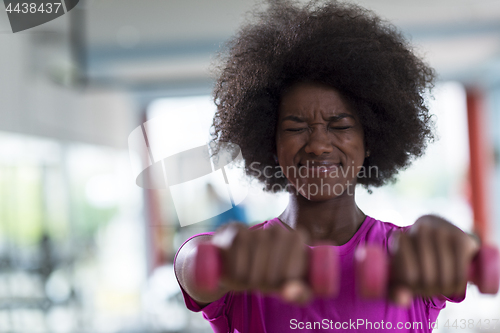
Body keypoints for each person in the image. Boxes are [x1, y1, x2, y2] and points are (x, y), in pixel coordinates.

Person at [174, 1, 480, 332]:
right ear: (271, 145)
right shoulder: (242, 260)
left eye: (340, 125)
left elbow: (461, 257)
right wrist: (223, 258)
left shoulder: (409, 256)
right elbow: (192, 264)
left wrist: (453, 245)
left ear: (370, 140)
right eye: (295, 127)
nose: (318, 144)